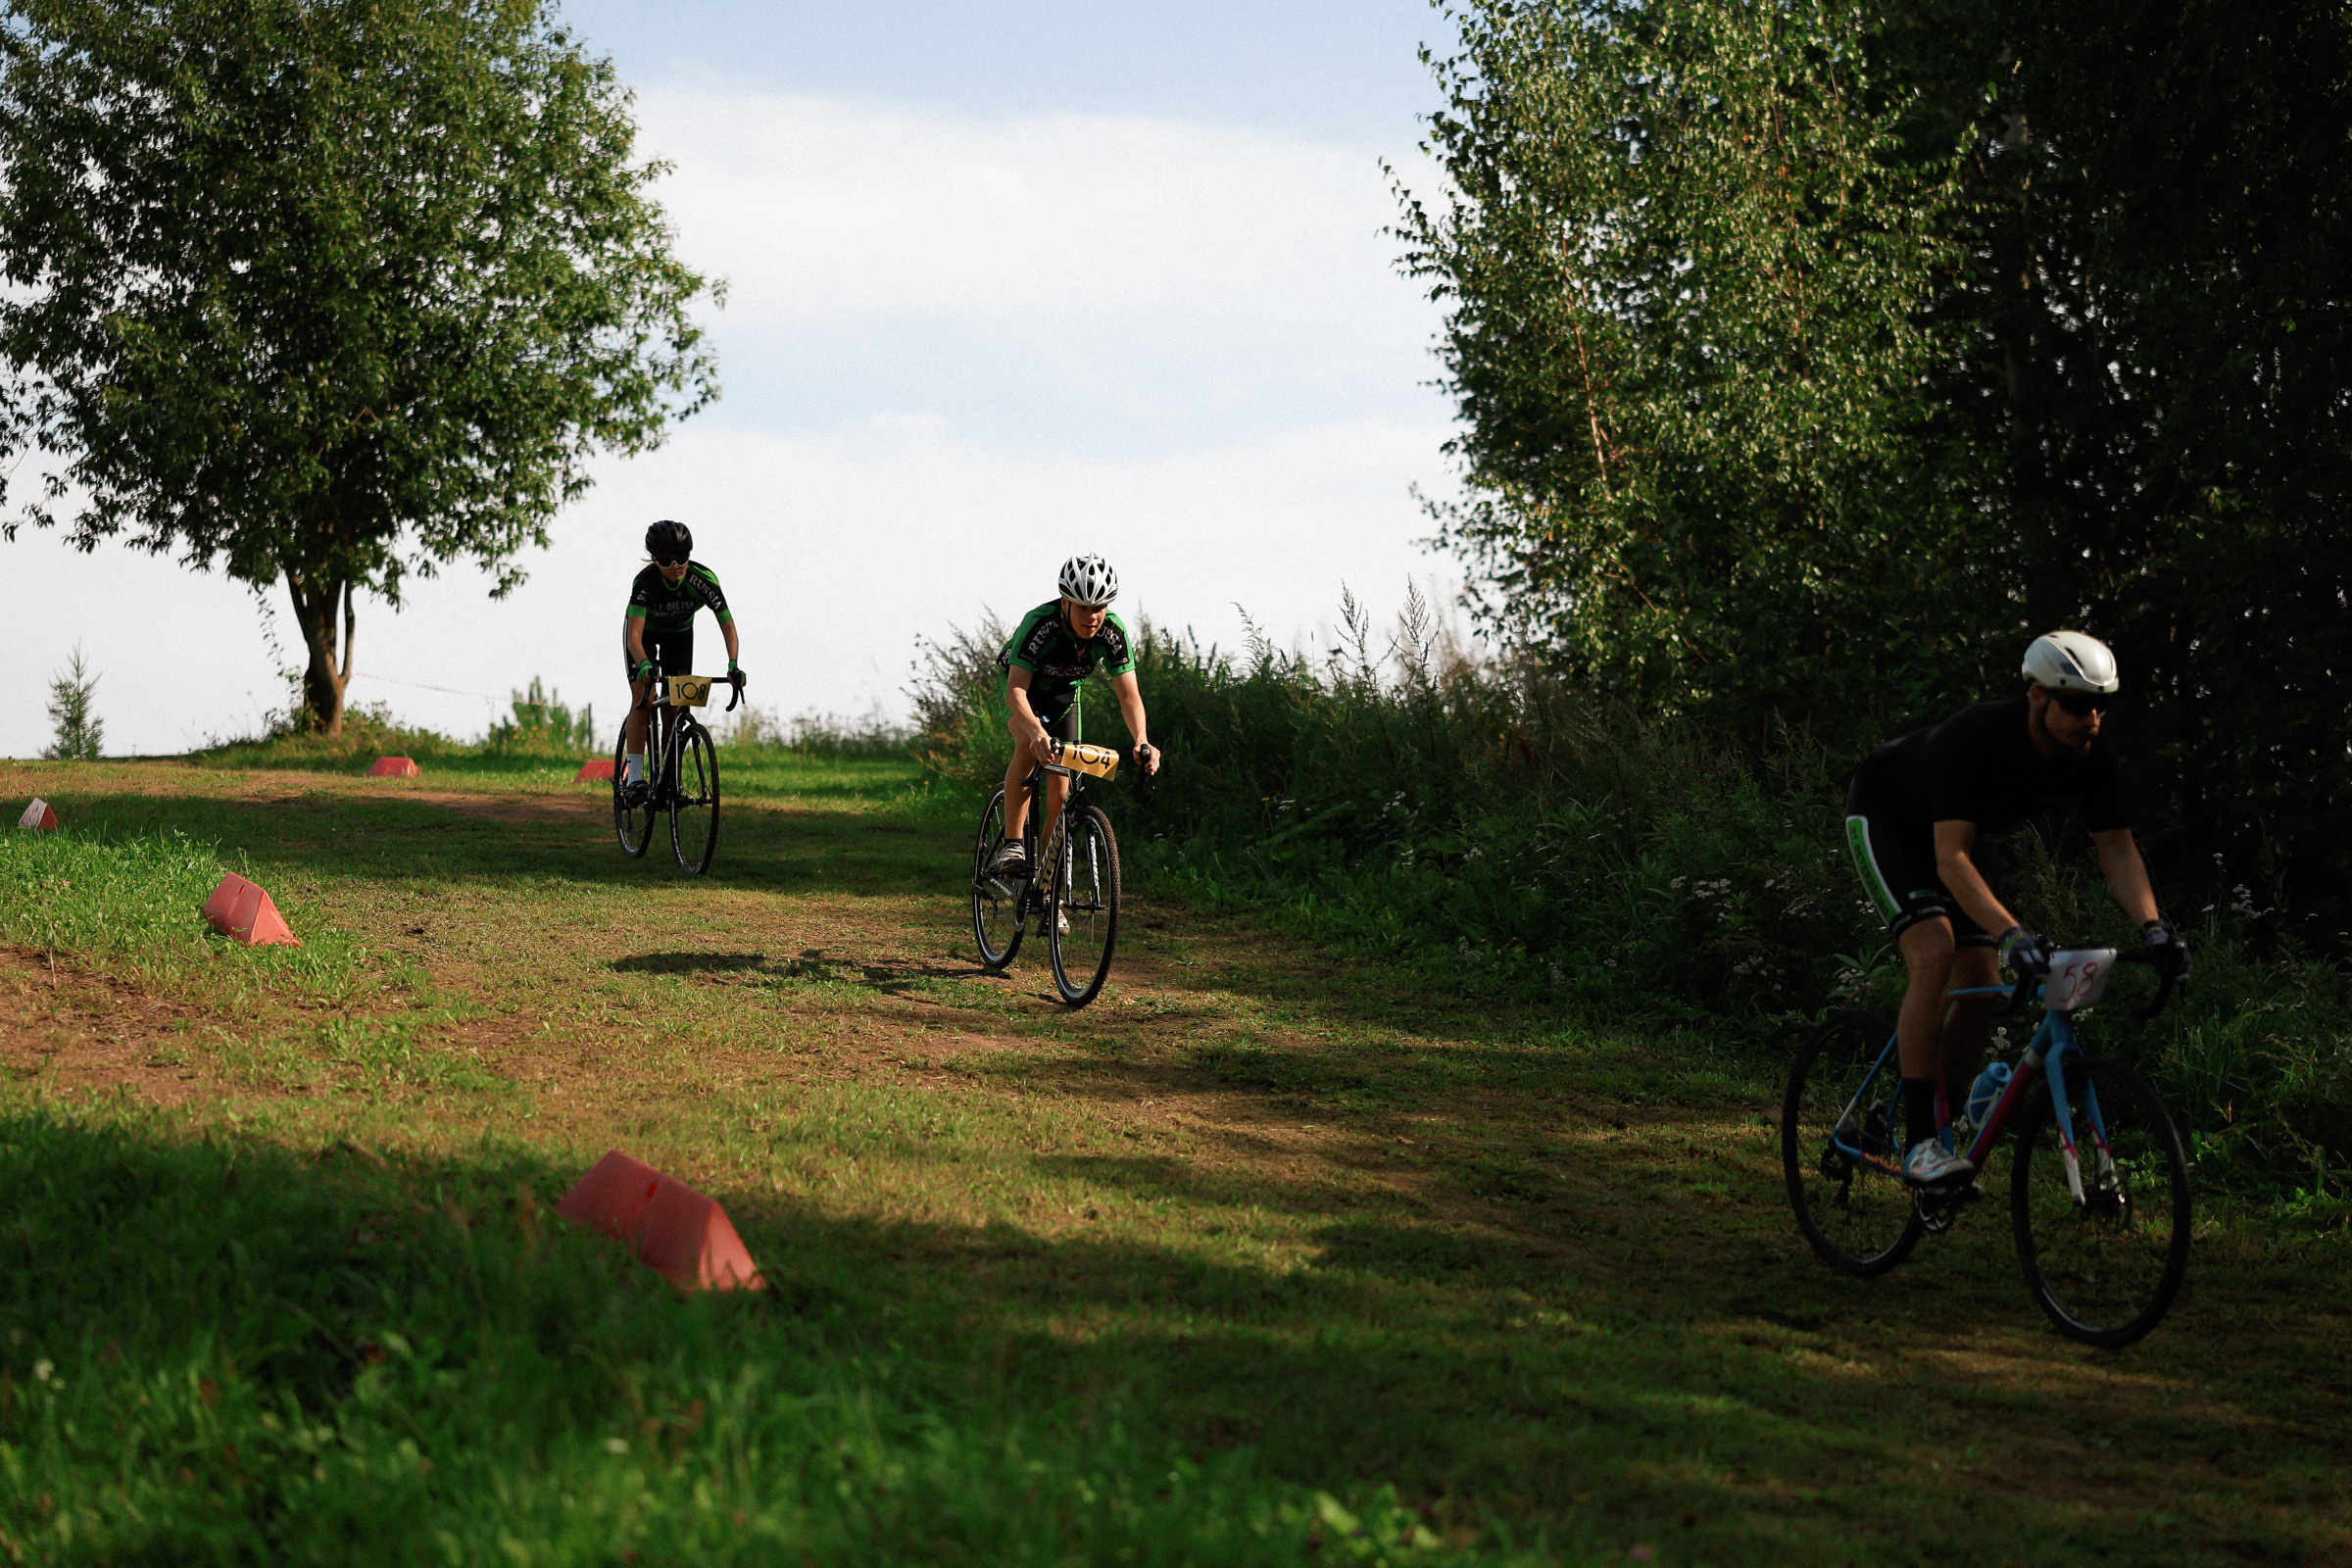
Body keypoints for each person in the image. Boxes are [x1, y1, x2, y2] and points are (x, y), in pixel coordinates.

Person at [1842, 631, 2191, 1186]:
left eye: (2102, 704)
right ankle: (1918, 1145)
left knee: (1982, 989)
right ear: (2036, 696)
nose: (2092, 718)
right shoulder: (1976, 737)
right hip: (1890, 818)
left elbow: (2118, 848)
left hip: (1955, 830)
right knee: (1934, 953)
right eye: (2077, 704)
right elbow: (1950, 859)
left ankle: (1942, 1124)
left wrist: (2153, 927)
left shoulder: (2091, 753)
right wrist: (2012, 934)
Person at [986, 554, 1161, 876]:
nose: (1093, 616)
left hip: (1065, 694)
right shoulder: (1041, 623)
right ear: (1065, 602)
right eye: (1083, 607)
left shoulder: (1112, 633)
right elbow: (1016, 691)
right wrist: (1038, 732)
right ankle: (1013, 844)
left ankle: (1046, 888)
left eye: (1100, 607)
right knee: (1027, 742)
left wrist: (1141, 740)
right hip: (1022, 688)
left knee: (1062, 790)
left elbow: (1128, 695)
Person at [621, 519, 742, 796]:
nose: (675, 567)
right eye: (666, 560)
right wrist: (645, 665)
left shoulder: (704, 580)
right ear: (655, 560)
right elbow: (634, 638)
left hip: (679, 635)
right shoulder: (645, 582)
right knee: (644, 698)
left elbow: (728, 625)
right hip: (644, 637)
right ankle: (635, 779)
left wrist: (733, 664)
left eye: (682, 559)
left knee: (675, 706)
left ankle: (669, 779)